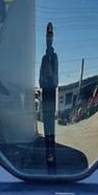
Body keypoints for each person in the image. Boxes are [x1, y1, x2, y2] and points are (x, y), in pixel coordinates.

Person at [39, 22, 58, 166]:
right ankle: (48, 151)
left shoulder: (55, 57)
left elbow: (56, 81)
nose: (48, 38)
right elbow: (40, 80)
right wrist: (46, 78)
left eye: (50, 35)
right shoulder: (44, 59)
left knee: (51, 124)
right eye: (47, 35)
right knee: (46, 125)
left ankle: (52, 151)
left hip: (51, 94)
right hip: (45, 93)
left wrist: (51, 76)